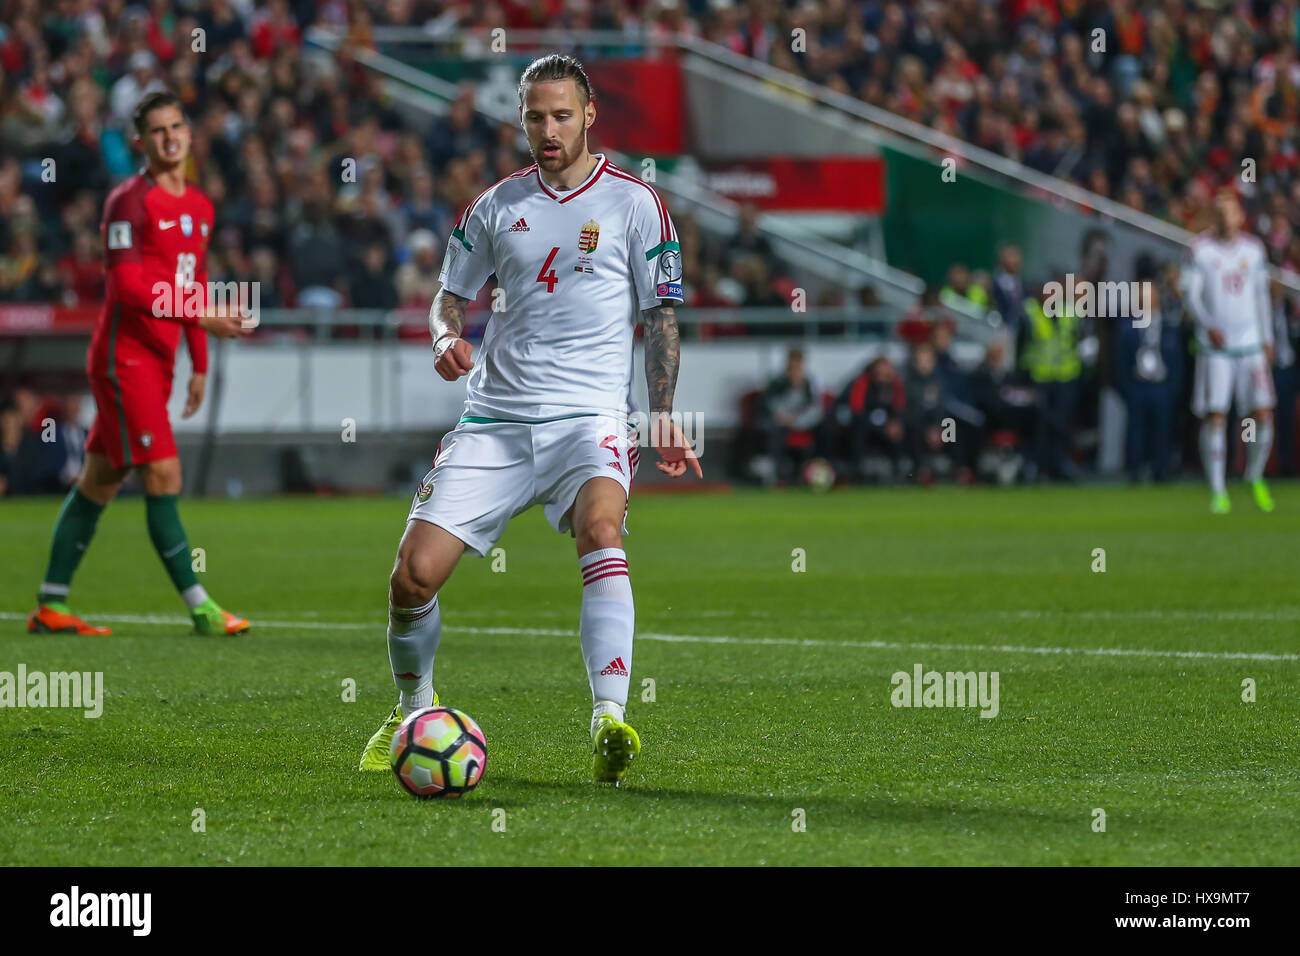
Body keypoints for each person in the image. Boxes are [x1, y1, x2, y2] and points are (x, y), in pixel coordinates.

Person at [357, 56, 701, 787]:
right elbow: (448, 295)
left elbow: (659, 314)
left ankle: (609, 717)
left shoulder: (637, 204)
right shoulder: (494, 206)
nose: (548, 130)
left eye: (561, 115)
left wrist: (664, 414)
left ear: (589, 115)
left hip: (591, 418)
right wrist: (445, 337)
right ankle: (413, 708)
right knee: (412, 579)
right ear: (520, 118)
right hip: (496, 421)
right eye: (535, 117)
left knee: (602, 531)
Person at [26, 91, 252, 637]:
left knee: (100, 480)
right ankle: (200, 606)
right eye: (157, 130)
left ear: (190, 134)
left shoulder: (200, 207)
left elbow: (191, 282)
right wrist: (204, 315)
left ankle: (51, 605)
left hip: (161, 358)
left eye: (177, 126)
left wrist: (199, 361)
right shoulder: (127, 201)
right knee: (164, 471)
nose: (170, 137)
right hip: (122, 357)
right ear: (140, 142)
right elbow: (127, 286)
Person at [1183, 190, 1276, 513]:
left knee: (1262, 414)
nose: (1225, 217)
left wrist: (1268, 338)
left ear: (1240, 216)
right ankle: (1218, 489)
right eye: (1220, 211)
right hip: (1216, 349)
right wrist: (1207, 324)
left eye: (1231, 211)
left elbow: (1262, 297)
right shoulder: (1201, 250)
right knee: (1217, 415)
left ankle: (1254, 475)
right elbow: (1191, 297)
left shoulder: (1254, 250)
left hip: (1250, 343)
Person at [755, 348, 824, 485]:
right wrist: (784, 417)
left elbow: (814, 409)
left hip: (801, 423)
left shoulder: (809, 384)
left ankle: (819, 469)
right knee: (774, 432)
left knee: (825, 430)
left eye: (798, 365)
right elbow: (769, 406)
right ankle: (777, 475)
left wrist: (797, 420)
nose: (795, 369)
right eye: (792, 365)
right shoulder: (776, 384)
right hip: (779, 422)